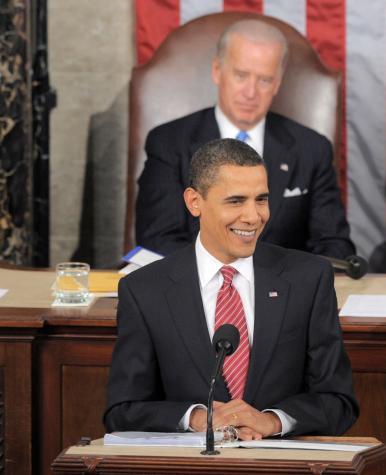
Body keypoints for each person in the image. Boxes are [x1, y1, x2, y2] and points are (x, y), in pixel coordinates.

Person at [105, 138, 358, 438]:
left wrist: (273, 421)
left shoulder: (308, 278)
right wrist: (196, 417)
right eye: (236, 201)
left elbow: (338, 401)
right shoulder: (144, 290)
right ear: (194, 202)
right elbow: (122, 410)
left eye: (261, 199)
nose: (253, 216)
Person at [135, 19, 355, 260]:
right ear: (217, 71)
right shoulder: (169, 142)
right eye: (241, 76)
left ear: (277, 84)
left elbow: (334, 245)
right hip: (198, 290)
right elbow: (158, 238)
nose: (250, 93)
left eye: (264, 80)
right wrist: (228, 276)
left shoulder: (312, 148)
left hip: (284, 289)